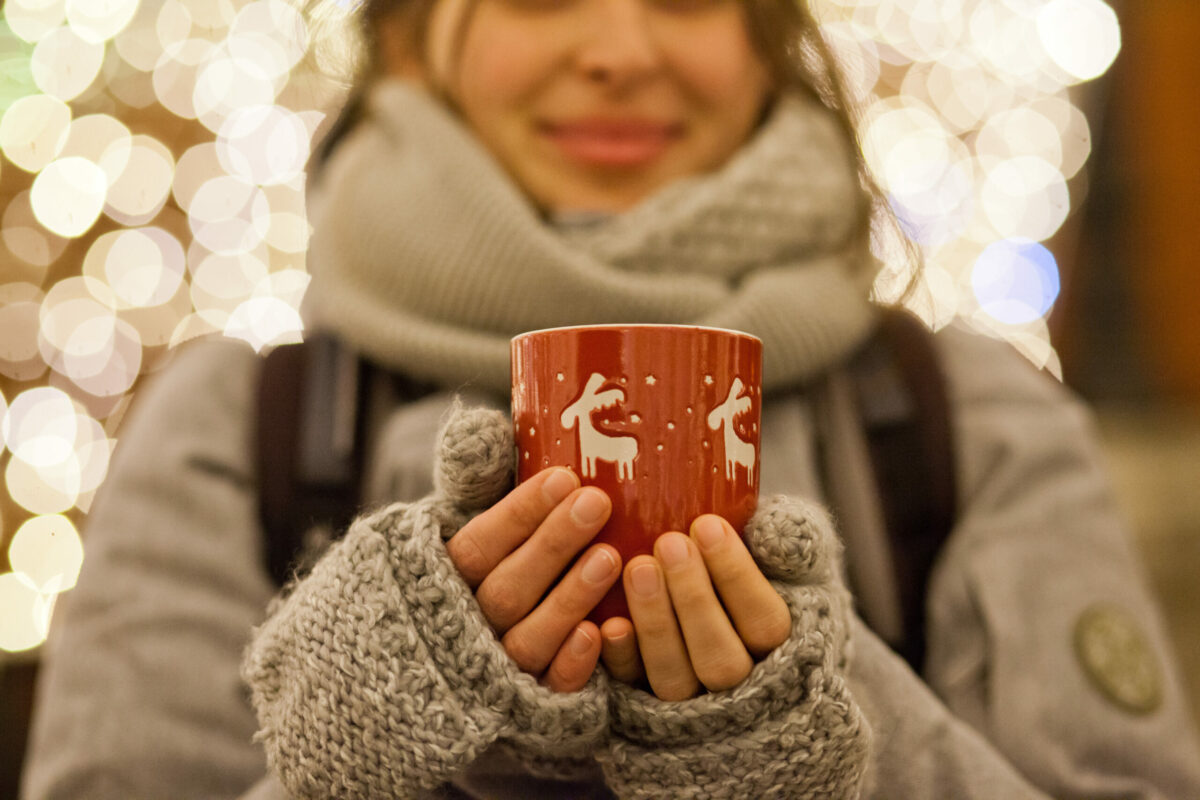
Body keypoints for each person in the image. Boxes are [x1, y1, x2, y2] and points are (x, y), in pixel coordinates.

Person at [19, 0, 1200, 797]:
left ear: (761, 36)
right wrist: (355, 744)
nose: (620, 47)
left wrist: (824, 734)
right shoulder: (234, 426)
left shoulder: (972, 416)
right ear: (418, 39)